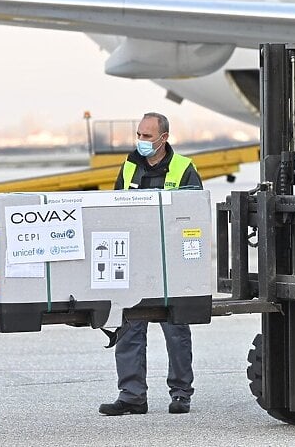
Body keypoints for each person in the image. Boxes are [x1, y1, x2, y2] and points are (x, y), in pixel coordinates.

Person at [99, 112, 202, 416]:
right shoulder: (130, 165)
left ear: (164, 138)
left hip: (169, 262)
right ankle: (132, 395)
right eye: (139, 135)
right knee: (128, 327)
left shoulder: (184, 168)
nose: (142, 141)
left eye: (147, 136)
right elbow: (114, 207)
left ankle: (181, 393)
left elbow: (194, 215)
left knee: (176, 329)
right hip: (133, 260)